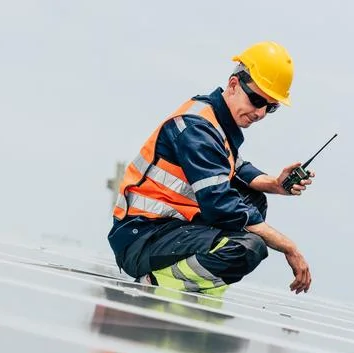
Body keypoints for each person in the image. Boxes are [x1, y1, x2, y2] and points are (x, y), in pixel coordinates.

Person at [107, 41, 314, 297]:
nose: (260, 112)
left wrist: (275, 184)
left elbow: (235, 168)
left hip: (169, 229)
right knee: (248, 246)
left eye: (270, 107)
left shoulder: (216, 121)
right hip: (141, 238)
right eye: (257, 99)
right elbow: (220, 203)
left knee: (253, 199)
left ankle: (198, 281)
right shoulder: (197, 127)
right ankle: (156, 283)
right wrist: (289, 247)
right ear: (234, 84)